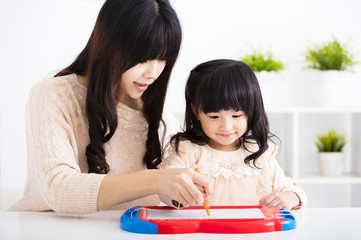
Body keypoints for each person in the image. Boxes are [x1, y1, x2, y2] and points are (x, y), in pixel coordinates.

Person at [10, 0, 212, 214]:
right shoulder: (54, 96)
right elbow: (58, 189)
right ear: (109, 46)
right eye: (142, 58)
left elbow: (164, 187)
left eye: (163, 59)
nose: (153, 73)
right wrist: (156, 180)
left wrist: (181, 190)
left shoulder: (159, 116)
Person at [160, 59, 307, 210]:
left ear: (251, 111)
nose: (226, 127)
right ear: (196, 111)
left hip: (251, 232)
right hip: (203, 231)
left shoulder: (258, 154)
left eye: (236, 116)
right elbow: (165, 190)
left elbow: (295, 191)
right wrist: (180, 193)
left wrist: (290, 197)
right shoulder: (188, 151)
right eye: (214, 117)